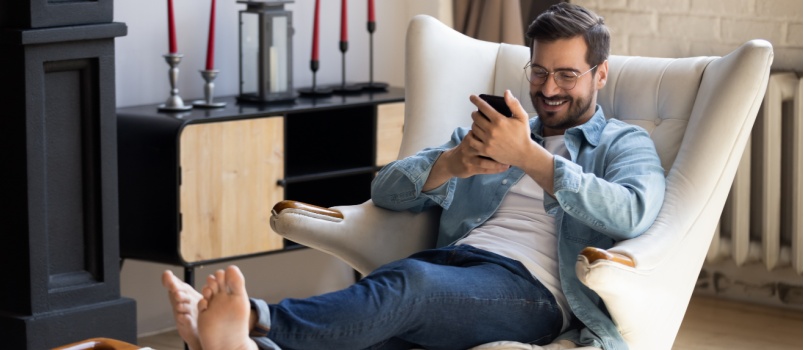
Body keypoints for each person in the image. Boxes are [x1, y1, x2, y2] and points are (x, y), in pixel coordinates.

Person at [163, 3, 666, 350]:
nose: (548, 88)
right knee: (376, 328)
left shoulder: (623, 143)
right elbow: (385, 189)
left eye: (567, 74)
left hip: (536, 294)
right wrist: (452, 165)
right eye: (539, 71)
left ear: (600, 74)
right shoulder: (497, 131)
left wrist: (531, 157)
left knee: (407, 281)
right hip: (459, 265)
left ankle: (255, 317)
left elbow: (632, 209)